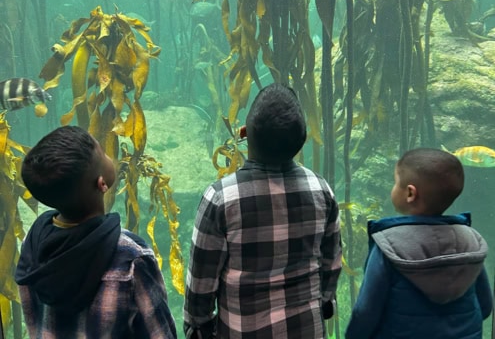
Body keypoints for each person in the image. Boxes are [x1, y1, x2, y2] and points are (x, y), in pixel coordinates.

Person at [183, 83, 342, 338]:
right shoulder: (321, 191)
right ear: (301, 143)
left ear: (244, 134)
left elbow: (200, 285)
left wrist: (198, 326)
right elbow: (331, 265)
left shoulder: (221, 198)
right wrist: (324, 303)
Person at [15, 125, 177, 339]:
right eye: (104, 153)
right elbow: (160, 333)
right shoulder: (131, 258)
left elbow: (33, 318)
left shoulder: (32, 243)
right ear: (102, 183)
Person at [345, 148, 493, 339]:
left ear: (410, 193)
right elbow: (486, 305)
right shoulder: (472, 240)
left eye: (395, 182)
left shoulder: (388, 246)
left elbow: (365, 312)